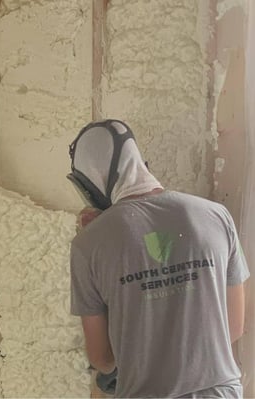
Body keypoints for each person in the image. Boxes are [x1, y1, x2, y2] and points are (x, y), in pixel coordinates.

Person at [67, 119, 250, 398]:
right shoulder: (216, 215)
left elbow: (102, 358)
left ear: (91, 182)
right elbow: (233, 328)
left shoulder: (88, 244)